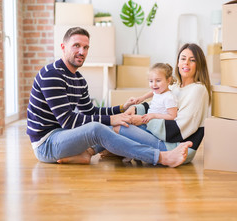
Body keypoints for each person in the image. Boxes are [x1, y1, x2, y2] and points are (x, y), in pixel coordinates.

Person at [26, 27, 192, 167]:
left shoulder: (79, 80)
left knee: (115, 124)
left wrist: (122, 109)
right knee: (97, 128)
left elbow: (90, 110)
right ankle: (162, 157)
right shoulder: (52, 75)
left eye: (86, 47)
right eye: (76, 46)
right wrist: (111, 119)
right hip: (46, 144)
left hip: (64, 136)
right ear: (63, 47)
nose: (81, 51)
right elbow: (68, 121)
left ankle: (87, 154)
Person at [114, 43, 211, 165]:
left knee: (119, 127)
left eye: (192, 60)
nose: (186, 63)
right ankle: (105, 150)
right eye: (183, 58)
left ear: (199, 65)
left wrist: (144, 120)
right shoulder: (175, 87)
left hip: (175, 147)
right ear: (178, 63)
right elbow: (156, 106)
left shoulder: (198, 90)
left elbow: (179, 129)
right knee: (118, 121)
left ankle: (102, 150)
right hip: (161, 136)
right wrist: (135, 109)